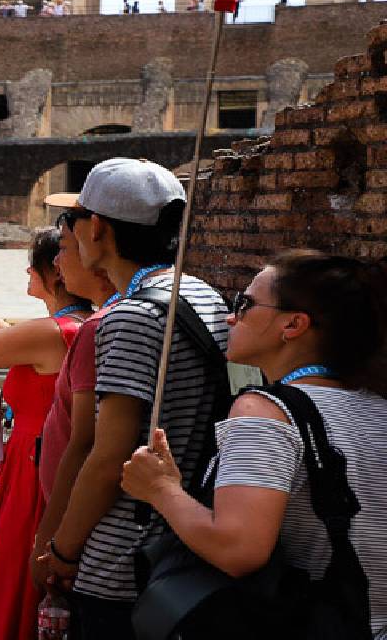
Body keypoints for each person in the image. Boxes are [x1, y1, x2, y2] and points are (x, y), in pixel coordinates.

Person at [121, 250, 387, 636]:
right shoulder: (376, 406)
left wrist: (161, 490)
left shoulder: (265, 411)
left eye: (244, 304)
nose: (231, 317)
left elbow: (237, 549)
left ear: (293, 324)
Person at [37, 158, 228, 640]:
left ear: (97, 229)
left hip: (124, 557)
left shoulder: (132, 318)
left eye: (74, 222)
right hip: (182, 543)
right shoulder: (202, 293)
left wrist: (62, 550)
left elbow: (107, 456)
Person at [0, 229, 91, 640]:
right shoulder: (72, 327)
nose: (27, 269)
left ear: (54, 271)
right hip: (42, 464)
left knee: (12, 577)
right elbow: (5, 335)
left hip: (32, 470)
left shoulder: (48, 334)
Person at [27, 206, 116, 596]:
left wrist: (53, 544)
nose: (60, 263)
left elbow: (90, 447)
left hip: (69, 519)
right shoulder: (93, 324)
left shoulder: (94, 327)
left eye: (65, 247)